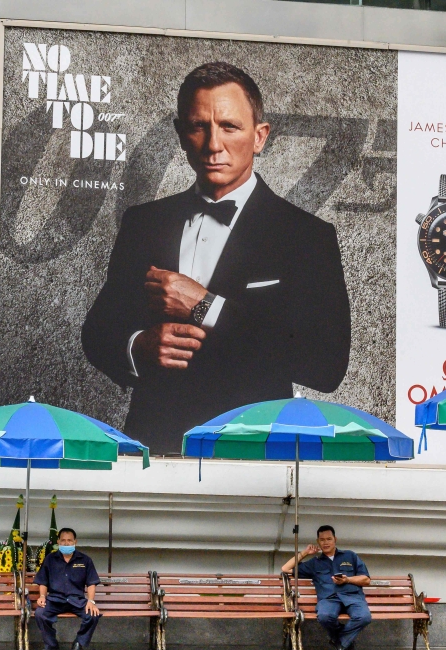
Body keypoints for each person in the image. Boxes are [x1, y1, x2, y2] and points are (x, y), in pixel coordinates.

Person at [81, 61, 351, 454]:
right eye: (198, 126)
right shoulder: (143, 223)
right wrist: (138, 346)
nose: (213, 144)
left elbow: (325, 365)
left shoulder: (306, 236)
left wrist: (206, 306)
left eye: (229, 126)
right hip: (154, 444)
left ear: (259, 137)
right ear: (180, 134)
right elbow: (99, 331)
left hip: (254, 451)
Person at [282, 525, 371, 650]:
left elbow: (366, 579)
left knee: (364, 617)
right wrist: (305, 553)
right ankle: (344, 641)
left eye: (329, 539)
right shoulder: (315, 563)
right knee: (324, 616)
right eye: (322, 540)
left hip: (352, 596)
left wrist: (347, 580)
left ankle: (339, 641)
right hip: (328, 599)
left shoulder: (350, 556)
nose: (326, 542)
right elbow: (285, 568)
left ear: (335, 539)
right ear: (318, 542)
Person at [34, 527, 101, 650]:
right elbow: (43, 581)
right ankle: (51, 644)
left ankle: (79, 643)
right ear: (58, 541)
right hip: (55, 599)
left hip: (77, 600)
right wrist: (42, 596)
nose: (66, 543)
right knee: (40, 613)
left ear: (75, 542)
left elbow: (92, 583)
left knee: (93, 615)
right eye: (63, 540)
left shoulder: (85, 560)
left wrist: (91, 601)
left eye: (69, 540)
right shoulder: (50, 559)